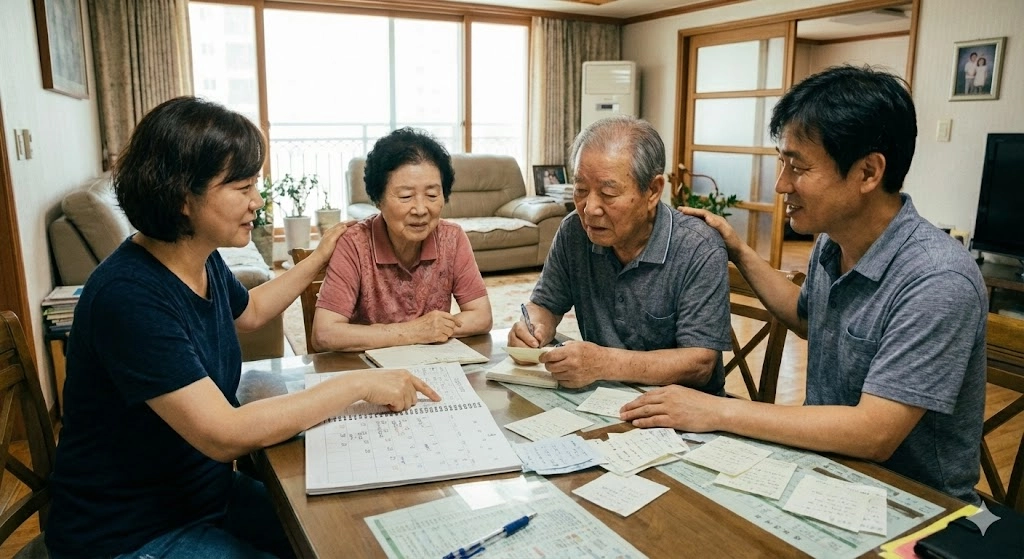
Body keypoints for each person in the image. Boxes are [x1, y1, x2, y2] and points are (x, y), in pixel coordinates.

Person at [45, 97, 441, 558]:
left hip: (203, 497)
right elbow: (224, 433)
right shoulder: (129, 296)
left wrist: (317, 257)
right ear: (182, 197)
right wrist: (356, 384)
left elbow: (250, 310)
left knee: (351, 534)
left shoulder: (196, 256)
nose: (258, 200)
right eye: (242, 187)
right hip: (129, 533)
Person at [622, 66, 987, 504]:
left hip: (914, 505)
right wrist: (737, 248)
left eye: (797, 167)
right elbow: (805, 315)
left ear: (868, 172)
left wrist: (718, 409)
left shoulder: (937, 280)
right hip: (827, 470)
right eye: (782, 162)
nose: (781, 185)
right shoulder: (834, 242)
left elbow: (874, 433)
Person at [508, 116, 732, 392]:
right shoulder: (575, 232)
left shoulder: (697, 247)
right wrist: (534, 328)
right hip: (599, 399)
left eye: (608, 193)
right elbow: (545, 305)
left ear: (653, 190)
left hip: (680, 414)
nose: (589, 208)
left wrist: (603, 363)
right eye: (580, 190)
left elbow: (699, 364)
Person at [312, 128, 492, 352]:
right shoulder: (353, 244)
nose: (420, 209)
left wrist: (434, 330)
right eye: (406, 196)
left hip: (433, 367)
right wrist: (415, 331)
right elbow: (325, 334)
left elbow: (481, 316)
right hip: (369, 374)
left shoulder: (452, 238)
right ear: (378, 199)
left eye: (432, 195)